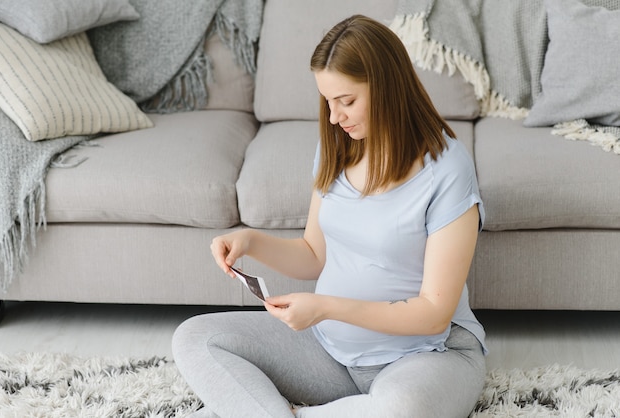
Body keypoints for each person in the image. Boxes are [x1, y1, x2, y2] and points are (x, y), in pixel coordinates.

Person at [172, 14, 487, 418]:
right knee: (196, 337)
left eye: (347, 100)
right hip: (330, 352)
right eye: (328, 101)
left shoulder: (447, 168)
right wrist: (250, 240)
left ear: (388, 87)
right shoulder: (339, 148)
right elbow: (313, 255)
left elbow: (432, 314)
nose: (336, 117)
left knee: (401, 410)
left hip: (425, 357)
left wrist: (324, 307)